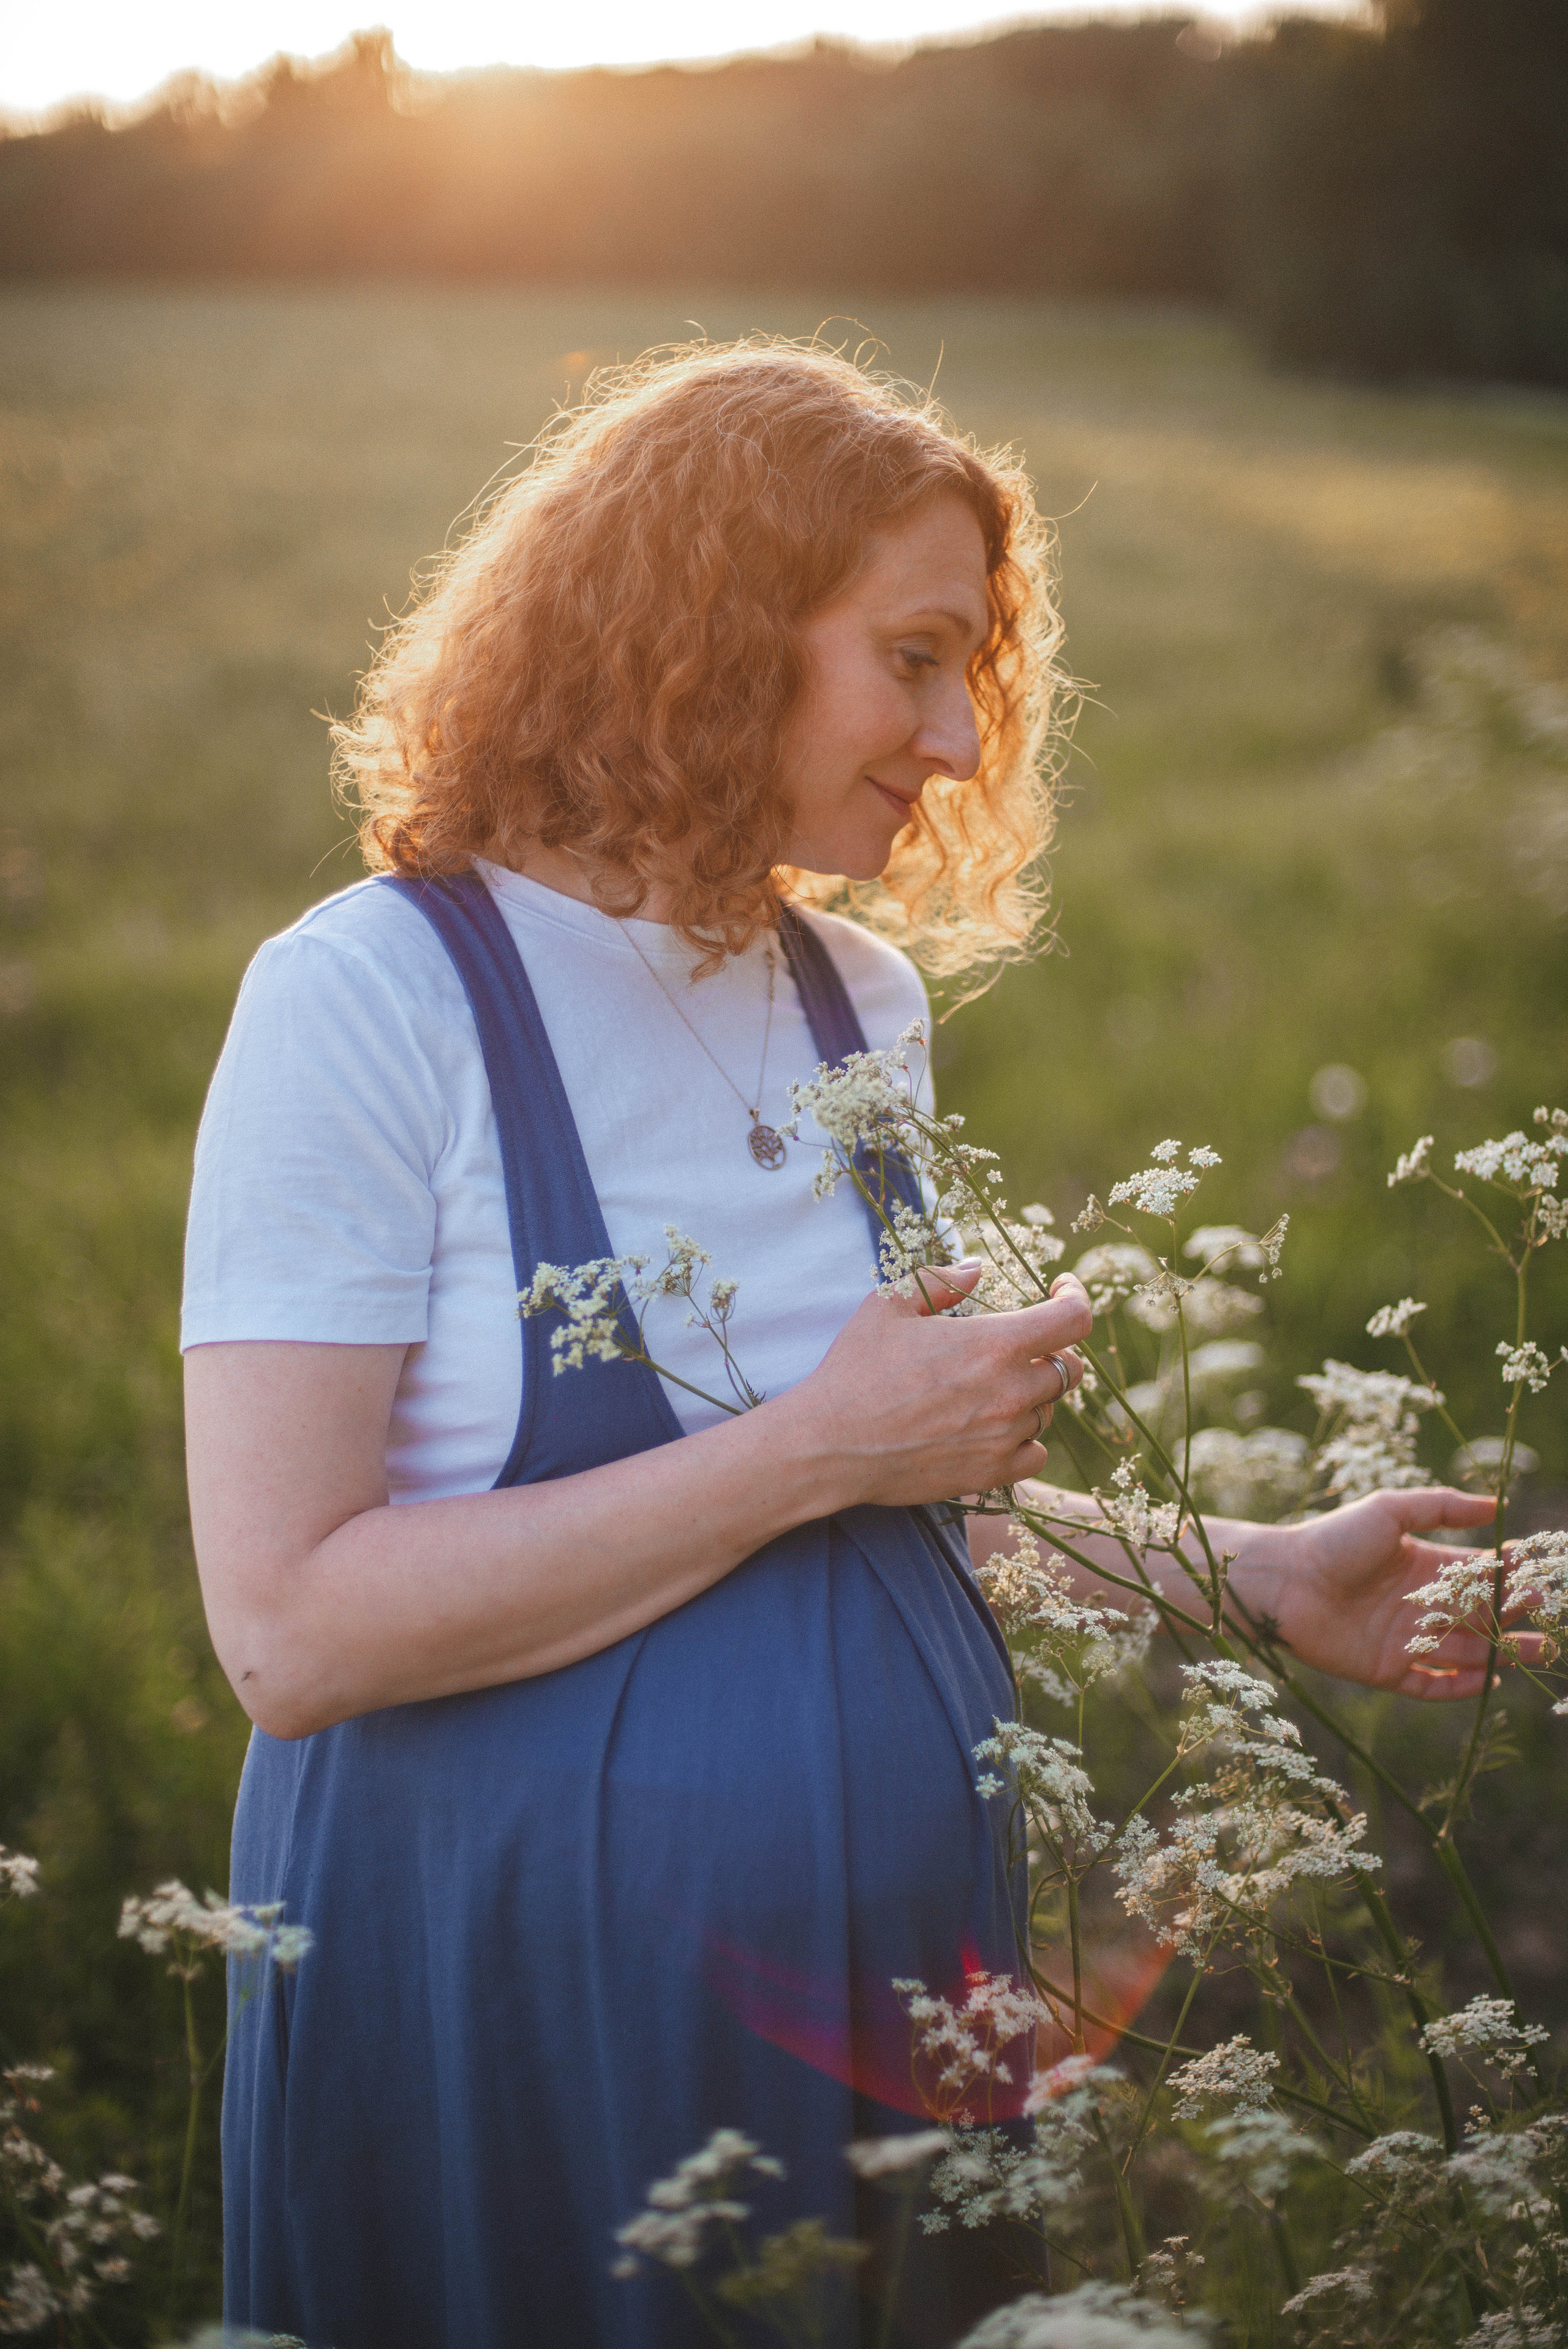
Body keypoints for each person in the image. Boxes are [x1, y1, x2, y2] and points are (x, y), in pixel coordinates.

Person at [182, 341, 1504, 2349]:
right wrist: (811, 1443)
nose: (964, 735)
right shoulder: (365, 999)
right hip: (524, 1996)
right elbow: (289, 1628)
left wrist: (1253, 1578)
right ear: (709, 635)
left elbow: (890, 1494)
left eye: (978, 668)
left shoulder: (851, 999)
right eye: (912, 657)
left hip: (892, 2010)